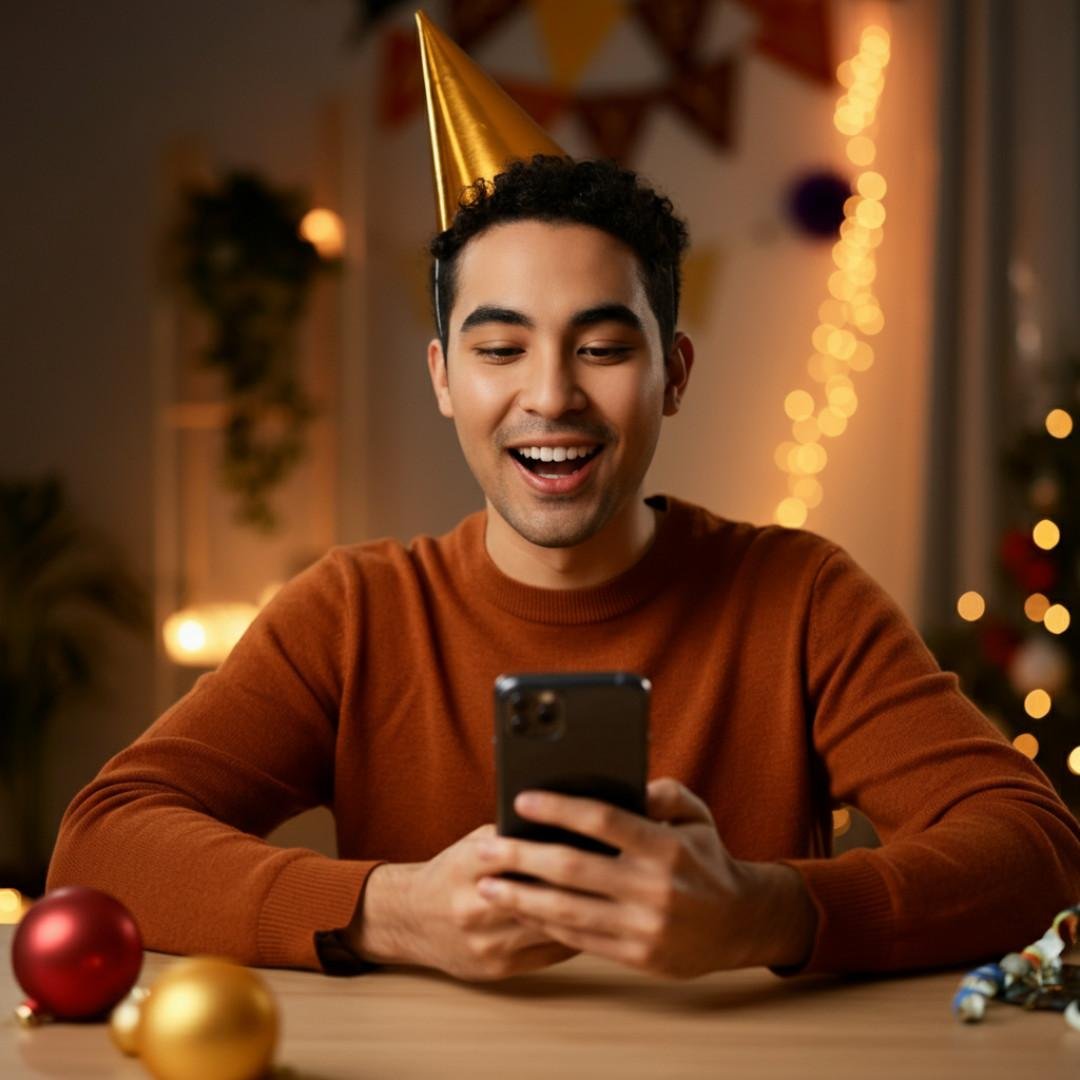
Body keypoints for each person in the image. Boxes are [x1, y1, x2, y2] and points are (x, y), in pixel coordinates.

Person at [48, 15, 1080, 984]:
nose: (550, 396)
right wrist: (389, 909)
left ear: (673, 372)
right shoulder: (354, 613)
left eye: (601, 347)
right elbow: (102, 843)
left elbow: (1035, 846)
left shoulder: (799, 597)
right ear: (445, 374)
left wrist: (768, 912)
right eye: (500, 349)